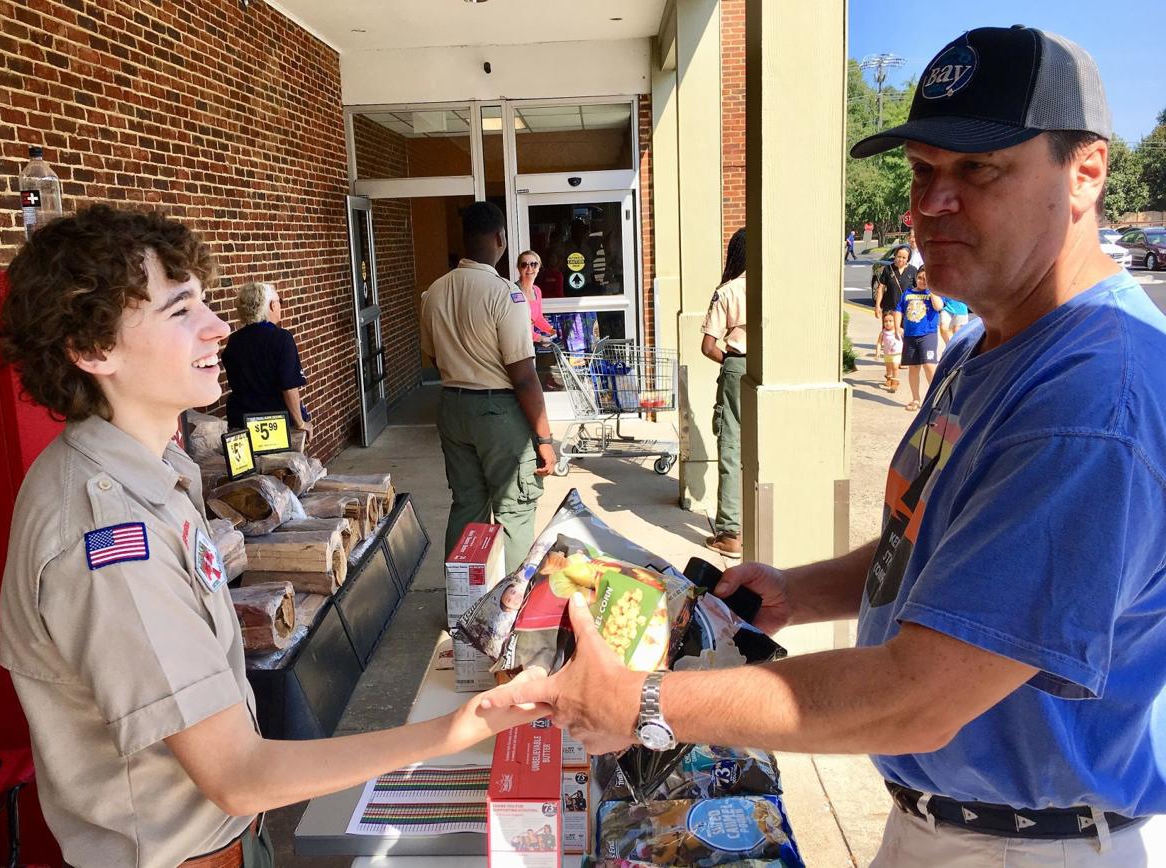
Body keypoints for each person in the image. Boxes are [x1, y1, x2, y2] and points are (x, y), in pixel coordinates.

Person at [484, 26, 1166, 866]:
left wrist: (645, 701)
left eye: (978, 171)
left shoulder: (1090, 401)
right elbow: (938, 553)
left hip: (1027, 845)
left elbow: (918, 697)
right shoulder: (982, 348)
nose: (931, 204)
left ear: (1086, 173)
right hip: (946, 822)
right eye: (923, 171)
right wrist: (795, 593)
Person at [0, 205, 545, 867]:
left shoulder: (150, 469)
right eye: (179, 311)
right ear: (91, 350)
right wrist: (460, 729)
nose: (219, 327)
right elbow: (236, 775)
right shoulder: (110, 530)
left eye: (205, 301)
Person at [420, 202, 557, 573]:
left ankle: (461, 605)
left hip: (452, 406)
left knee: (467, 505)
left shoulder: (433, 292)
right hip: (498, 413)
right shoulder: (506, 295)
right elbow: (524, 376)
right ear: (500, 239)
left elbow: (434, 356)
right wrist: (544, 439)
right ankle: (507, 611)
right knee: (514, 508)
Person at [699, 227, 747, 558]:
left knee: (731, 444)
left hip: (737, 366)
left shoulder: (729, 291)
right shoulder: (773, 288)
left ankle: (731, 532)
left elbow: (708, 346)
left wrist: (730, 362)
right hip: (770, 369)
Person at [222, 281, 312, 435]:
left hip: (241, 421)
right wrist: (300, 423)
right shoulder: (281, 338)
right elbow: (289, 387)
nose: (280, 306)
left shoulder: (234, 340)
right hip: (278, 424)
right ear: (271, 305)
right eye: (279, 301)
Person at [897, 266, 943, 410]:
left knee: (929, 366)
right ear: (916, 278)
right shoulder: (907, 293)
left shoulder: (933, 293)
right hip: (910, 335)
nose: (923, 281)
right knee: (914, 367)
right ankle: (915, 399)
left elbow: (939, 307)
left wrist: (932, 290)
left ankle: (936, 399)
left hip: (927, 334)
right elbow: (899, 309)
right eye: (920, 278)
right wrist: (898, 326)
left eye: (926, 278)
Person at [515, 249, 556, 343]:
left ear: (539, 267)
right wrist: (538, 338)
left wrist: (551, 330)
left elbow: (538, 318)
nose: (529, 269)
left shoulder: (537, 291)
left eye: (534, 264)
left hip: (529, 344)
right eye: (524, 265)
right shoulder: (515, 292)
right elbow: (517, 324)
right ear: (519, 268)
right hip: (517, 343)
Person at [873, 244, 916, 319]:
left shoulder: (913, 270)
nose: (901, 259)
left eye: (904, 258)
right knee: (888, 330)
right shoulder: (888, 269)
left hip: (907, 309)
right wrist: (877, 306)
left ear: (908, 259)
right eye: (899, 257)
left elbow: (917, 289)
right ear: (895, 256)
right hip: (889, 309)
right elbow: (881, 288)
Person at [876, 310, 902, 393]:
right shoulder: (883, 333)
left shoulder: (899, 331)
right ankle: (889, 378)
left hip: (897, 353)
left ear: (895, 321)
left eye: (891, 321)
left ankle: (895, 383)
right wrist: (878, 352)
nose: (888, 323)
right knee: (888, 368)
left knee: (895, 367)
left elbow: (908, 338)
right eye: (885, 321)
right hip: (887, 354)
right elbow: (879, 343)